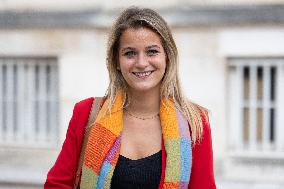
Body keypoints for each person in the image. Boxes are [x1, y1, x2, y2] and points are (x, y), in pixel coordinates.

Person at [44, 6, 216, 189]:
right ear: (117, 61)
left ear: (167, 57)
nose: (141, 63)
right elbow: (56, 184)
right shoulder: (86, 113)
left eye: (152, 52)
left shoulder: (195, 121)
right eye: (130, 53)